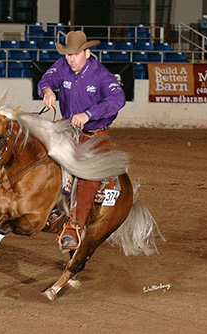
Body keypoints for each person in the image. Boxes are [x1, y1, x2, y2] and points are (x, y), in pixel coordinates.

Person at [37, 30, 126, 251]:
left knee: (88, 177)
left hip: (95, 137)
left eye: (75, 54)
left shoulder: (101, 75)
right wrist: (47, 91)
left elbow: (118, 98)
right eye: (68, 54)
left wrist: (89, 114)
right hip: (68, 131)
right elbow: (47, 78)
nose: (71, 59)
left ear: (87, 52)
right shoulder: (63, 65)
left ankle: (73, 227)